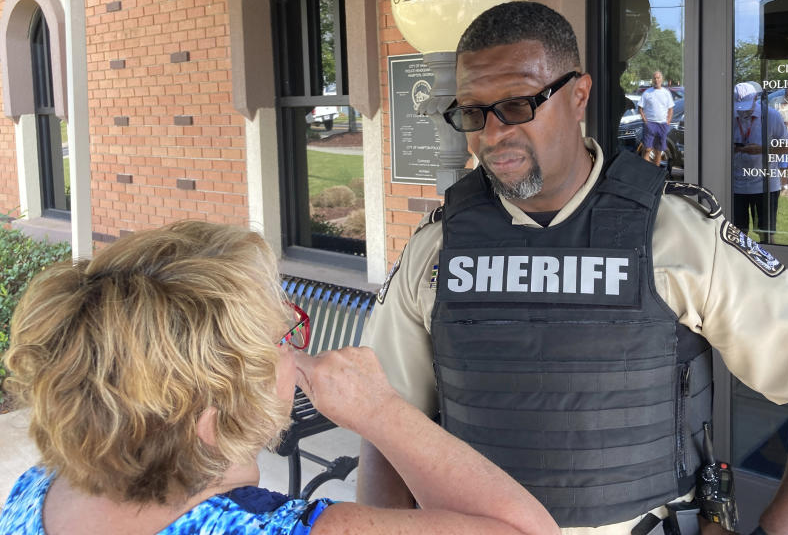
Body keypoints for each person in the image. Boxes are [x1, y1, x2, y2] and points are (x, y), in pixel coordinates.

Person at [358, 1, 788, 535]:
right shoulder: (437, 247)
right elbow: (385, 423)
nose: (493, 135)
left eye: (517, 105)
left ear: (579, 95)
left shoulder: (677, 234)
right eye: (473, 113)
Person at [0, 221, 559, 535]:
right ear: (212, 416)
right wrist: (380, 410)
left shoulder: (38, 491)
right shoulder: (273, 531)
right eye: (282, 335)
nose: (298, 346)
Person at [732, 82, 788, 244]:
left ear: (756, 99)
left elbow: (786, 147)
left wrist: (761, 149)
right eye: (739, 107)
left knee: (766, 234)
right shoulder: (729, 115)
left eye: (747, 107)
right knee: (736, 234)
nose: (743, 111)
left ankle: (769, 265)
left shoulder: (771, 115)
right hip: (736, 184)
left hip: (765, 185)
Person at [637, 70, 674, 166]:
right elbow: (640, 108)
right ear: (652, 80)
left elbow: (670, 109)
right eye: (655, 78)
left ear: (662, 79)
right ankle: (646, 172)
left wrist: (668, 122)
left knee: (658, 151)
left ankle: (655, 173)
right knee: (647, 149)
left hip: (662, 125)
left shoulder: (666, 93)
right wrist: (645, 121)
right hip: (650, 124)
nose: (656, 80)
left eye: (658, 78)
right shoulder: (647, 93)